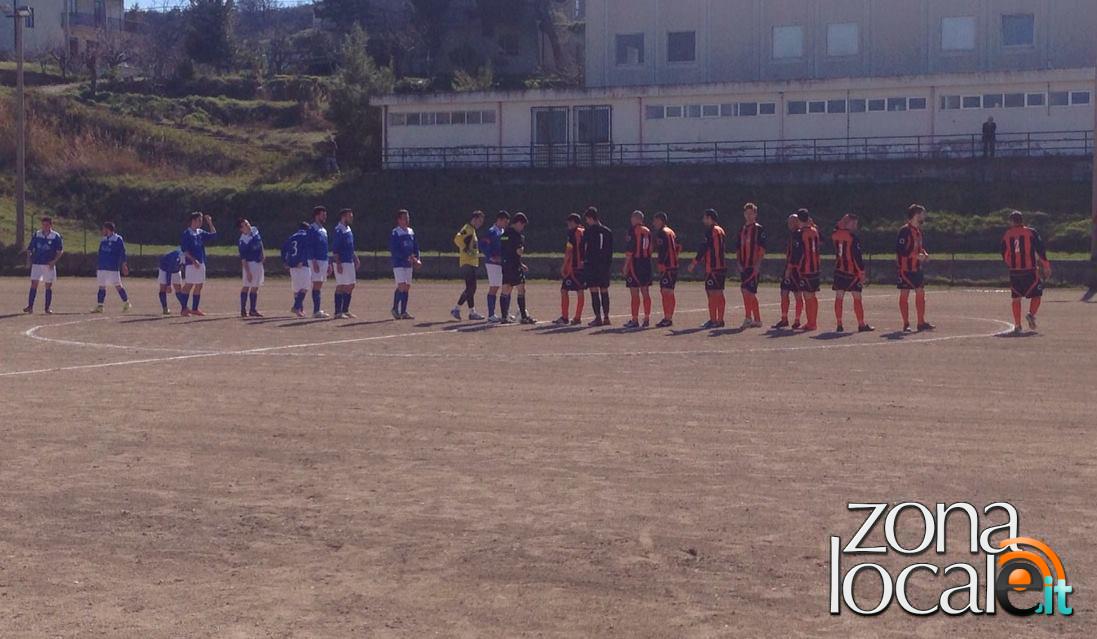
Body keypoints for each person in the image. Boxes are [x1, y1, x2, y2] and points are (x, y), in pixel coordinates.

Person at [1001, 211, 1051, 334]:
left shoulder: (1007, 234)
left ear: (1012, 221)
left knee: (1016, 298)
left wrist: (1010, 264)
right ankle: (1031, 314)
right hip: (1029, 270)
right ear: (1022, 220)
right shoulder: (1031, 232)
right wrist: (1046, 266)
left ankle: (1017, 325)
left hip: (1014, 271)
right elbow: (1040, 249)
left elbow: (1004, 253)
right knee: (1037, 295)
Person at [831, 214, 874, 333]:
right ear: (848, 223)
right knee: (857, 297)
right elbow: (857, 257)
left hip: (839, 270)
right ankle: (861, 324)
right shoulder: (852, 238)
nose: (856, 226)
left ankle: (839, 324)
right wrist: (861, 272)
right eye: (853, 223)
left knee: (839, 297)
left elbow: (836, 228)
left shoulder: (835, 234)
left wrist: (841, 222)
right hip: (852, 272)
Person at [689, 208, 728, 329]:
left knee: (712, 293)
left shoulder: (711, 231)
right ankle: (719, 320)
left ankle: (713, 320)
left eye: (705, 218)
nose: (703, 220)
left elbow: (704, 249)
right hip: (721, 266)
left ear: (710, 218)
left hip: (713, 267)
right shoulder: (720, 230)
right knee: (719, 293)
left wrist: (694, 263)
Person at [897, 204, 934, 332]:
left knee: (920, 293)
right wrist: (916, 256)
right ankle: (906, 324)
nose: (924, 217)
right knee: (904, 295)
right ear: (916, 215)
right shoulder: (904, 231)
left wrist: (924, 253)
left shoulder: (918, 231)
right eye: (923, 214)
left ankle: (921, 322)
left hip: (916, 268)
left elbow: (918, 248)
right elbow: (901, 250)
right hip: (905, 269)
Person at [499, 212, 536, 324]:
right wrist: (522, 249)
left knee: (506, 289)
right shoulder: (517, 236)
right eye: (523, 225)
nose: (522, 228)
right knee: (521, 289)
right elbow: (518, 251)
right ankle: (524, 316)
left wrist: (521, 264)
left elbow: (505, 250)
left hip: (506, 265)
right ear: (519, 223)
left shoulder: (505, 234)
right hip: (514, 266)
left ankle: (504, 317)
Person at [180, 211, 217, 317]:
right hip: (191, 264)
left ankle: (195, 309)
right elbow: (185, 251)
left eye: (201, 220)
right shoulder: (186, 233)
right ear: (193, 220)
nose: (201, 222)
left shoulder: (200, 232)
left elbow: (213, 235)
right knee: (189, 285)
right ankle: (184, 309)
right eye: (199, 220)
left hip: (201, 262)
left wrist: (210, 222)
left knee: (199, 285)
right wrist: (193, 260)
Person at [581, 207, 614, 327]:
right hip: (604, 266)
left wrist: (583, 261)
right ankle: (606, 317)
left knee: (594, 290)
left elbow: (584, 248)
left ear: (590, 218)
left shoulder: (588, 232)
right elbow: (610, 251)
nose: (587, 222)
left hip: (592, 265)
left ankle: (598, 318)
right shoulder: (608, 231)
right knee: (604, 290)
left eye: (587, 219)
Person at [24, 217, 63, 314]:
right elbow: (30, 249)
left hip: (48, 264)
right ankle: (30, 306)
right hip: (37, 263)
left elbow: (60, 251)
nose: (44, 227)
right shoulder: (37, 234)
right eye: (43, 225)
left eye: (46, 225)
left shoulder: (55, 236)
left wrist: (54, 261)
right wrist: (29, 260)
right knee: (34, 284)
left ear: (50, 225)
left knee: (48, 286)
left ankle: (47, 308)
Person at [737, 203, 767, 329]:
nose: (749, 216)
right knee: (746, 292)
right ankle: (755, 319)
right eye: (747, 213)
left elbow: (762, 248)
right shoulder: (742, 230)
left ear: (755, 214)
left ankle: (750, 318)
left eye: (751, 213)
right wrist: (738, 262)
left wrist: (758, 264)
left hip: (753, 265)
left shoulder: (759, 229)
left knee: (748, 291)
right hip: (744, 265)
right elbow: (738, 248)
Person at [452, 210, 485, 321]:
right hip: (467, 262)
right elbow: (457, 238)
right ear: (474, 219)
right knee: (471, 288)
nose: (480, 223)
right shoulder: (467, 228)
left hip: (472, 262)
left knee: (470, 288)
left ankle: (471, 312)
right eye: (479, 220)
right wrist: (466, 249)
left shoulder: (472, 230)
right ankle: (457, 308)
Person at [623, 210, 654, 328]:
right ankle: (646, 318)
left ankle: (635, 319)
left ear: (637, 219)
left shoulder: (633, 230)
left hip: (635, 263)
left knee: (634, 292)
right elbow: (651, 248)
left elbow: (630, 250)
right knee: (645, 291)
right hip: (646, 263)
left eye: (632, 218)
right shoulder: (648, 231)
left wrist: (626, 265)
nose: (631, 220)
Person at [773, 214, 804, 330]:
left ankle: (797, 320)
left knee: (797, 294)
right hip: (789, 266)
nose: (789, 224)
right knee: (784, 292)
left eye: (792, 221)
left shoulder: (799, 234)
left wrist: (789, 268)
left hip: (796, 269)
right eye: (789, 222)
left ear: (797, 222)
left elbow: (797, 254)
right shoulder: (792, 235)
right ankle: (784, 318)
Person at [92, 222, 130, 314]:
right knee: (101, 286)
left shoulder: (117, 239)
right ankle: (100, 306)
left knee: (118, 286)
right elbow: (100, 253)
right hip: (102, 267)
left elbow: (122, 252)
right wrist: (98, 265)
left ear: (108, 229)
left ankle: (126, 303)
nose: (102, 231)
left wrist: (124, 264)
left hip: (112, 267)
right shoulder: (103, 239)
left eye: (103, 229)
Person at [389, 209, 421, 320]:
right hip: (399, 263)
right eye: (404, 218)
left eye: (408, 217)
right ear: (399, 220)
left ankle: (403, 311)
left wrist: (417, 259)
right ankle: (394, 309)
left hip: (409, 264)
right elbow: (394, 249)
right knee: (401, 285)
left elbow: (416, 247)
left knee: (406, 287)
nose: (407, 220)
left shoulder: (411, 232)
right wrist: (405, 257)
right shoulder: (395, 232)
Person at [555, 213, 586, 325]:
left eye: (570, 222)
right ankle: (577, 317)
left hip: (573, 267)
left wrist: (564, 266)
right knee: (580, 291)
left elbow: (569, 251)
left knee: (564, 290)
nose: (568, 224)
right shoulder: (584, 231)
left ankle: (565, 317)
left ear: (574, 222)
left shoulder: (572, 233)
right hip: (583, 267)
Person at [652, 211, 680, 328]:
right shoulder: (671, 232)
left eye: (655, 220)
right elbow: (679, 246)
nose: (653, 223)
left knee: (665, 292)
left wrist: (661, 264)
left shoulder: (662, 233)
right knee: (670, 291)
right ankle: (669, 316)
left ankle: (667, 318)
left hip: (667, 267)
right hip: (674, 266)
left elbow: (663, 250)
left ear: (660, 220)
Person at [332, 208, 362, 319]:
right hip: (342, 261)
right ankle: (337, 312)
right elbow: (335, 249)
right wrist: (338, 263)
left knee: (351, 285)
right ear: (344, 217)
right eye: (350, 216)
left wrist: (355, 258)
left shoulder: (348, 229)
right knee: (341, 285)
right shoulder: (338, 229)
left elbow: (350, 246)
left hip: (349, 261)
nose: (352, 218)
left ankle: (345, 310)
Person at [480, 211, 508, 322]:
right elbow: (482, 244)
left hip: (501, 263)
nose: (505, 224)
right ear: (499, 220)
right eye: (505, 221)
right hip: (492, 264)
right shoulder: (491, 231)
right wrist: (491, 256)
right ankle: (491, 315)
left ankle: (504, 313)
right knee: (494, 287)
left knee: (505, 287)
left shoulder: (502, 231)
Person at [796, 209, 822, 332]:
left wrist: (797, 266)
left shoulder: (801, 233)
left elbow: (800, 252)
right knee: (813, 295)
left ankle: (811, 323)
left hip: (806, 268)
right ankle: (813, 321)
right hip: (815, 267)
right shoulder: (815, 231)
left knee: (807, 296)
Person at [282, 222, 312, 319]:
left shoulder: (292, 237)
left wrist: (285, 261)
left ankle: (300, 310)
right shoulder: (306, 236)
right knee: (305, 287)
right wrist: (302, 260)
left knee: (297, 289)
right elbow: (305, 249)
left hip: (292, 264)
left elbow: (283, 249)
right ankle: (296, 307)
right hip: (302, 264)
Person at [236, 218, 265, 318]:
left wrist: (263, 253)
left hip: (258, 263)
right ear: (241, 229)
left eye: (248, 223)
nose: (248, 225)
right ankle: (243, 309)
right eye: (245, 225)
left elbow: (260, 242)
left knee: (255, 286)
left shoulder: (254, 230)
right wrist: (248, 272)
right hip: (250, 264)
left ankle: (253, 309)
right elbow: (243, 259)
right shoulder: (242, 241)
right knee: (246, 285)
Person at [307, 206, 331, 319]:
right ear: (317, 215)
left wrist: (329, 262)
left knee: (319, 284)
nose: (325, 216)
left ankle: (317, 309)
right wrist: (314, 260)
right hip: (316, 260)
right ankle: (316, 311)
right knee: (316, 284)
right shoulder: (312, 228)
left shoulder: (323, 229)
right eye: (323, 214)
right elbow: (310, 246)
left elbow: (325, 246)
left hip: (323, 259)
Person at [157, 248, 184, 315]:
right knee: (163, 288)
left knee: (178, 289)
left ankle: (184, 307)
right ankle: (165, 308)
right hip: (165, 269)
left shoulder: (189, 255)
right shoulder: (175, 258)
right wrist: (168, 285)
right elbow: (168, 271)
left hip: (176, 270)